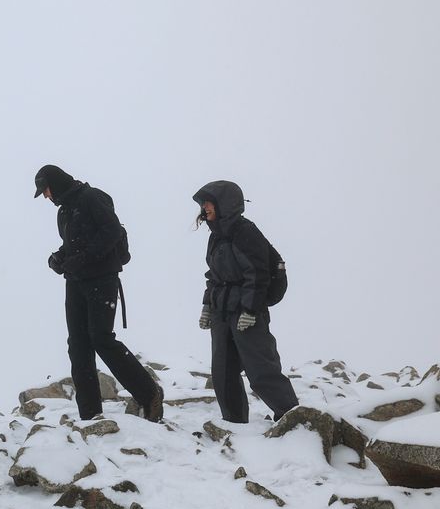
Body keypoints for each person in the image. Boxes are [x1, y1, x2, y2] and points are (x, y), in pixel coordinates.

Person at [35, 164, 163, 422]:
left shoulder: (90, 198)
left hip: (102, 280)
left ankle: (149, 393)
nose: (46, 196)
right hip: (75, 282)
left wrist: (82, 259)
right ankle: (90, 415)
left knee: (101, 338)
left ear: (55, 184)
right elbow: (74, 244)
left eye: (46, 190)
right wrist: (59, 258)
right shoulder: (65, 210)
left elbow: (112, 231)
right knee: (78, 346)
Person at [193, 180, 298, 423]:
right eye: (203, 203)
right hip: (222, 311)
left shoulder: (245, 231)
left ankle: (292, 419)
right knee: (223, 372)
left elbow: (258, 273)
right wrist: (207, 305)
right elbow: (213, 275)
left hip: (246, 311)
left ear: (225, 203)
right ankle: (234, 423)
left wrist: (250, 309)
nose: (205, 207)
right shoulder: (216, 236)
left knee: (261, 369)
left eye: (209, 202)